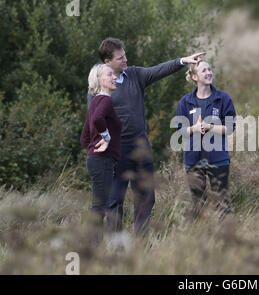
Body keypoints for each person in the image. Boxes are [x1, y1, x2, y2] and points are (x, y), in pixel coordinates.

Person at [87, 37, 205, 236]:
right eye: (119, 58)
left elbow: (158, 70)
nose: (125, 60)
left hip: (140, 147)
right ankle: (117, 245)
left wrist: (183, 61)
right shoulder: (98, 87)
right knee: (115, 200)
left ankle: (141, 240)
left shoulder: (134, 75)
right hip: (116, 151)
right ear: (107, 61)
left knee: (146, 196)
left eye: (125, 55)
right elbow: (93, 120)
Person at [176, 60, 236, 219]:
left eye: (210, 69)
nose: (209, 73)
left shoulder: (223, 99)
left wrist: (210, 127)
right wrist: (194, 129)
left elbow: (230, 127)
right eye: (204, 71)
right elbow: (180, 130)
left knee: (222, 203)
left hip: (218, 159)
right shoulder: (185, 102)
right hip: (193, 160)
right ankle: (200, 238)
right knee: (198, 204)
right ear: (195, 76)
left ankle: (226, 236)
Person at [81, 64, 122, 234]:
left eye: (114, 74)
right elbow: (98, 119)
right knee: (99, 206)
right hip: (102, 160)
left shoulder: (95, 102)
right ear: (99, 80)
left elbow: (85, 138)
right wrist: (106, 138)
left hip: (96, 160)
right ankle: (92, 247)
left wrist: (93, 149)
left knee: (99, 205)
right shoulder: (105, 100)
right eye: (110, 74)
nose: (115, 77)